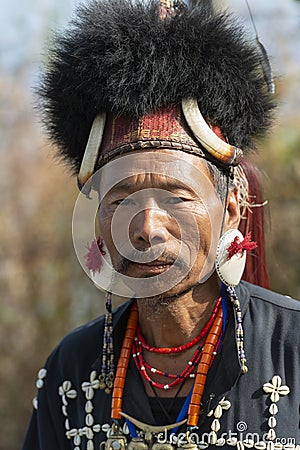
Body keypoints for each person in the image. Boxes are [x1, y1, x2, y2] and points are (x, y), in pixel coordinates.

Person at [22, 1, 300, 449]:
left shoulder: (292, 349)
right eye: (122, 198)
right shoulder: (70, 370)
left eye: (176, 196)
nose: (147, 227)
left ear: (230, 208)